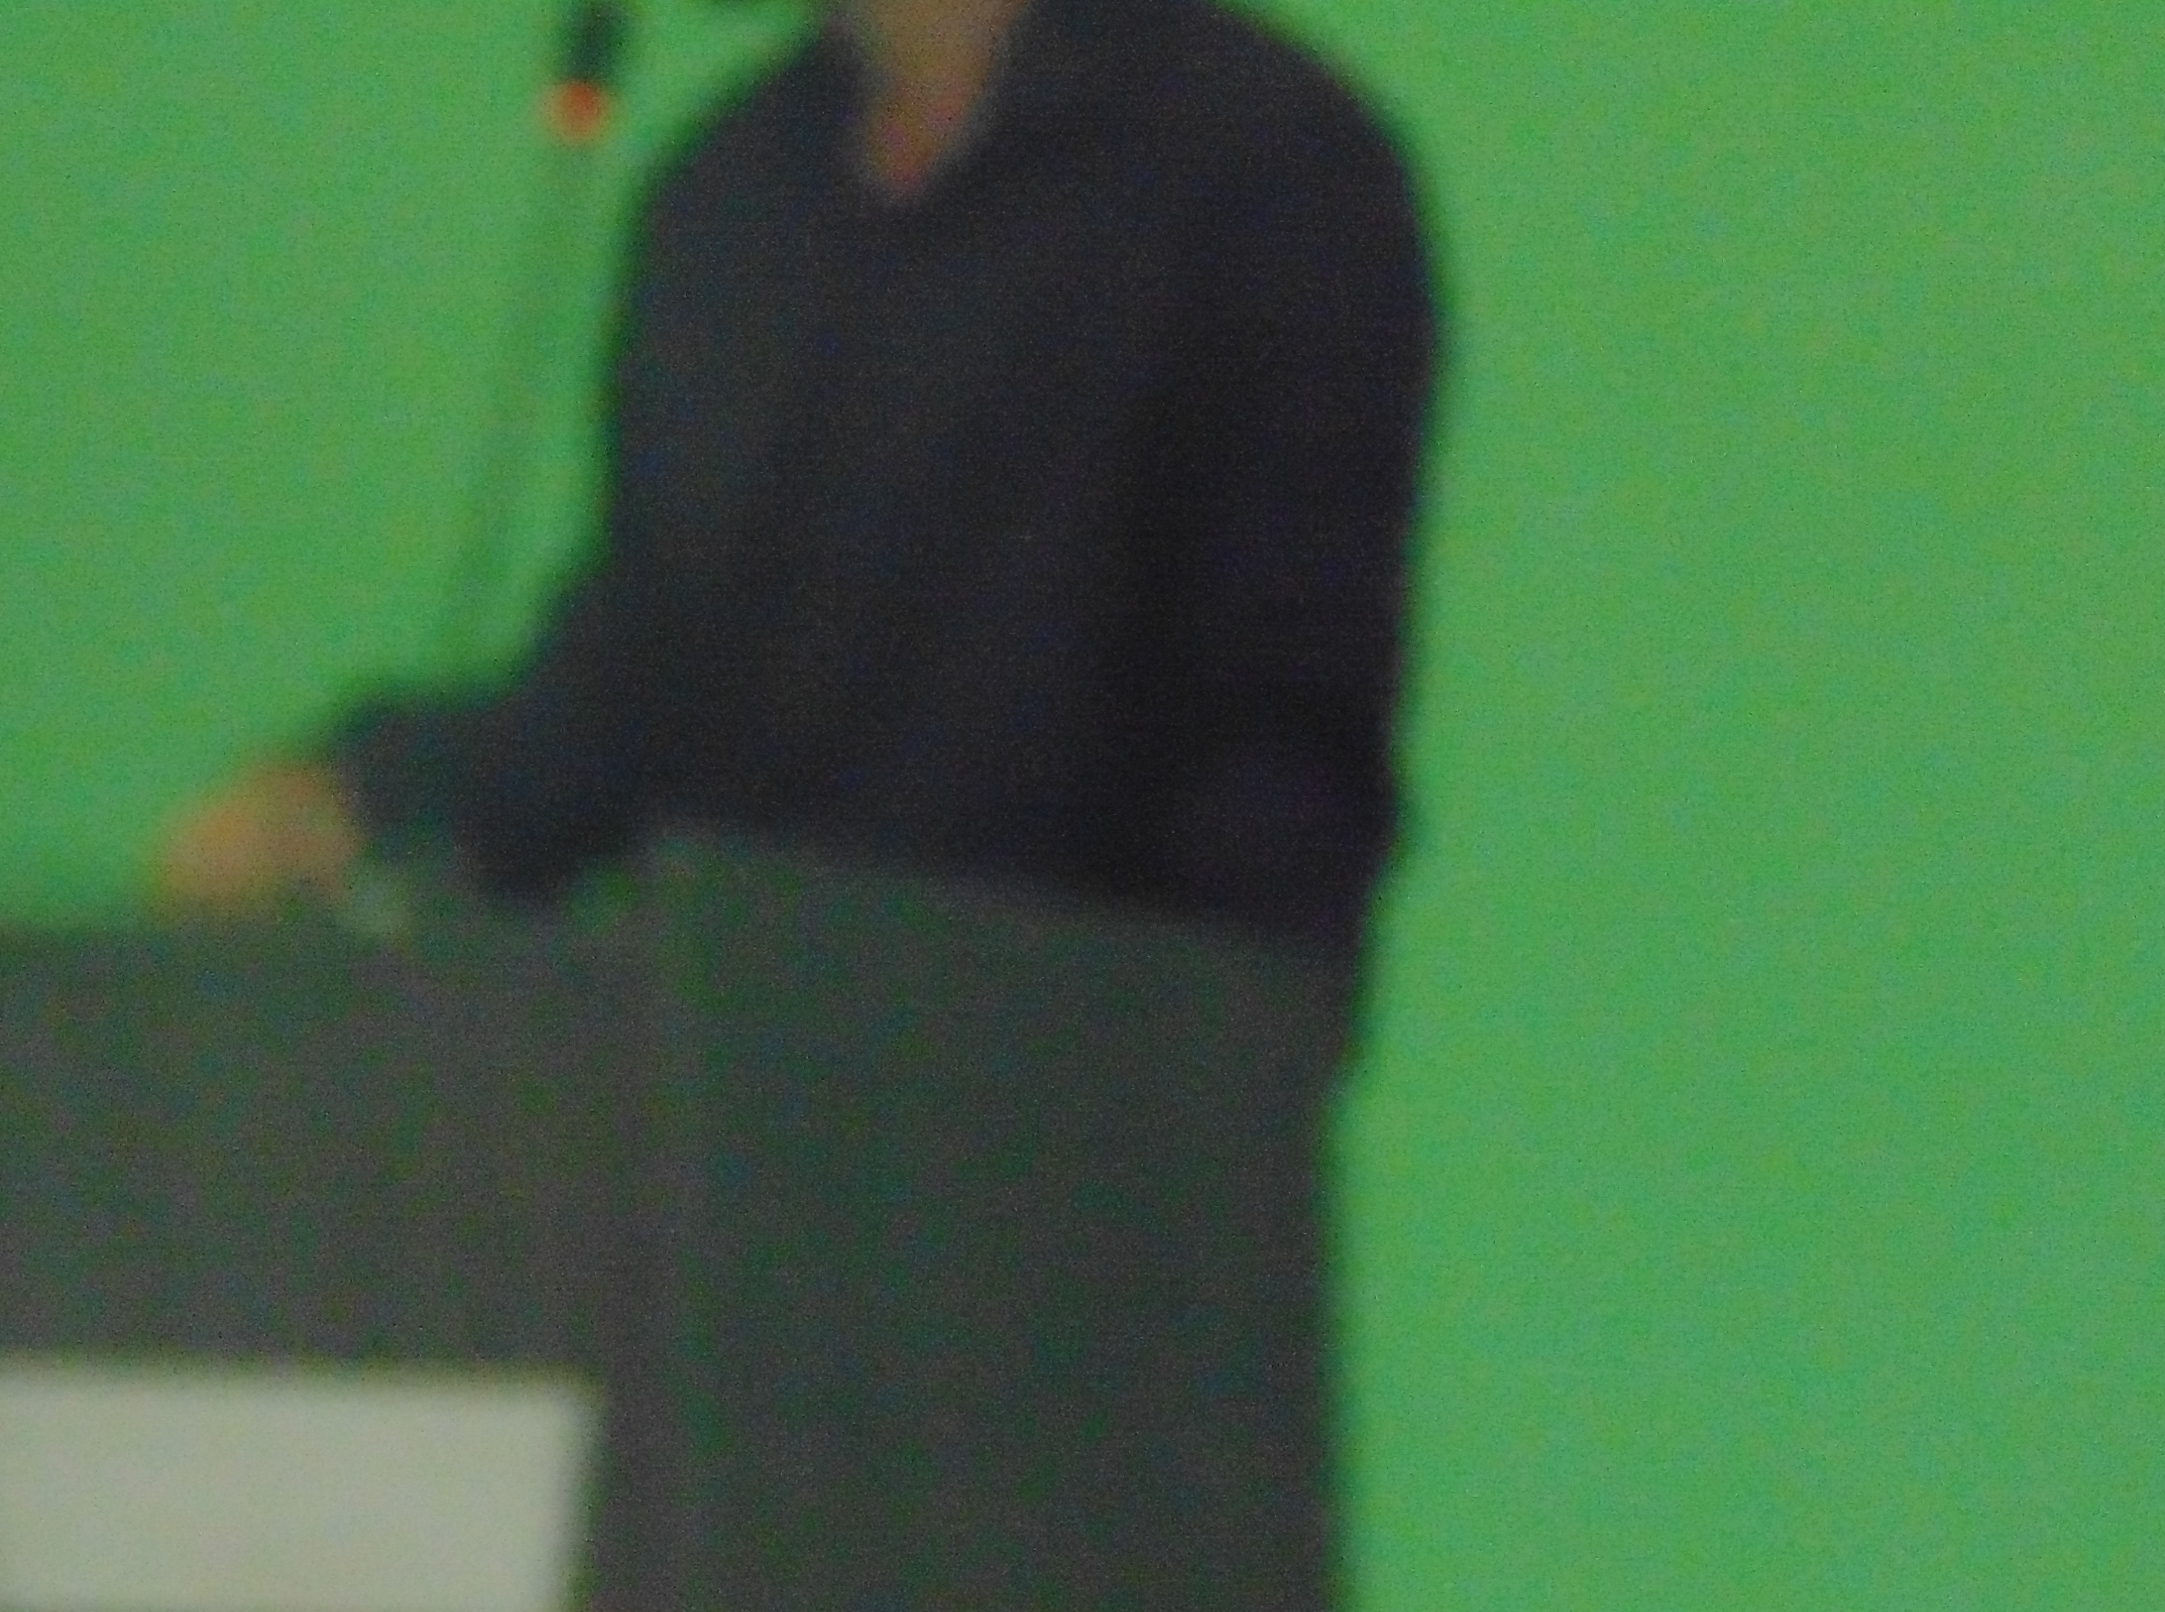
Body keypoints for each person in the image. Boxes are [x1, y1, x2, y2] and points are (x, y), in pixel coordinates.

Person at [155, 0, 1441, 998]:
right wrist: (359, 797)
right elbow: (633, 696)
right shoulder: (727, 198)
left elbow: (1276, 774)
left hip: (1083, 1156)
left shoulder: (1265, 175)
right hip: (734, 1125)